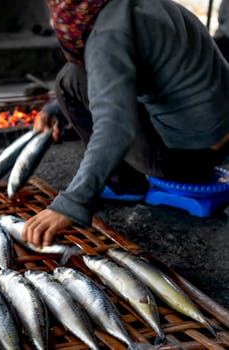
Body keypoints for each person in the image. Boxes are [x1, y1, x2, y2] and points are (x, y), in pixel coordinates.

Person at [23, 0, 229, 248]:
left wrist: (71, 204)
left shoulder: (107, 33)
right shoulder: (128, 6)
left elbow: (114, 126)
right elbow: (116, 78)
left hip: (187, 157)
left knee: (70, 79)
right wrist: (57, 109)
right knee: (79, 77)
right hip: (213, 137)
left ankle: (124, 184)